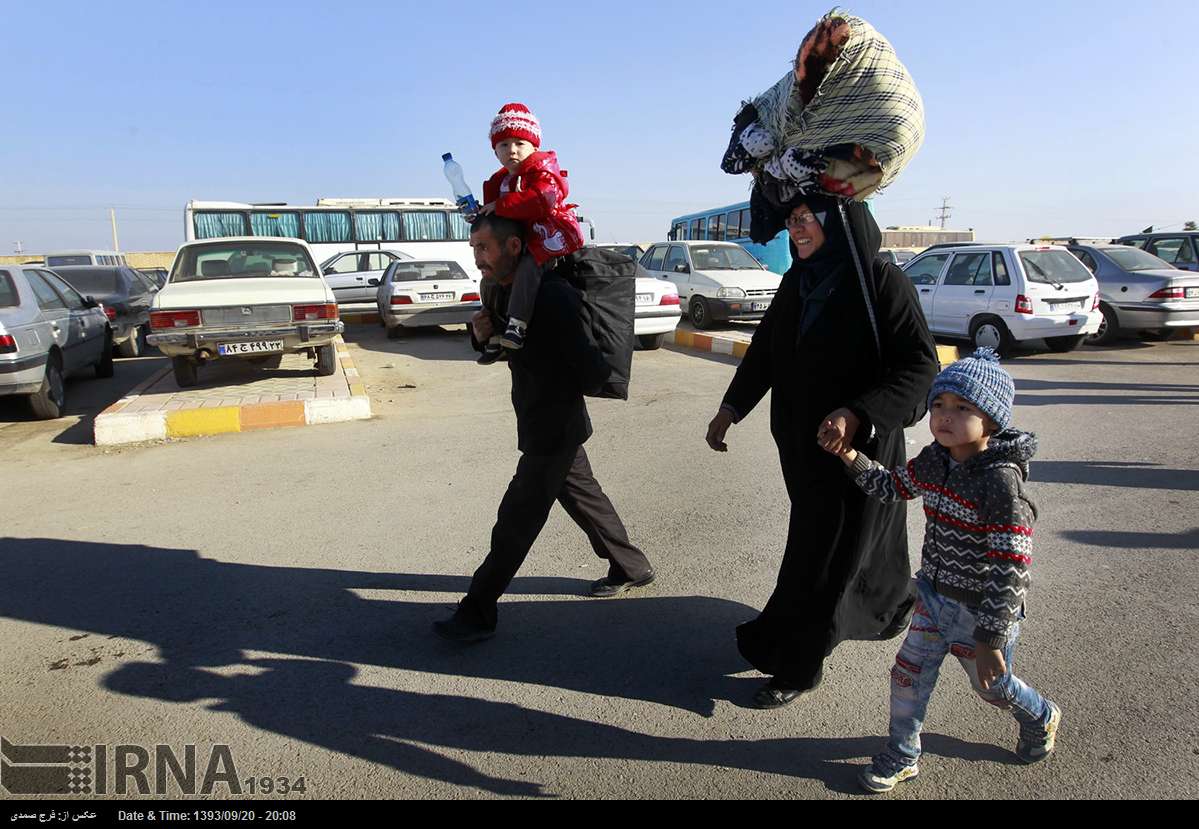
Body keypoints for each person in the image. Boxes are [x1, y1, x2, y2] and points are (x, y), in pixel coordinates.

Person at [705, 195, 939, 709]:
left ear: (836, 219)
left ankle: (799, 663)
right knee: (839, 545)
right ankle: (893, 600)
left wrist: (858, 412)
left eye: (805, 218)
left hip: (859, 451)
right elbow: (766, 349)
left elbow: (920, 366)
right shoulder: (801, 278)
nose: (797, 230)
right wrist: (731, 408)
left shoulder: (881, 280)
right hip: (802, 449)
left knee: (827, 554)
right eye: (791, 221)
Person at [821, 349, 1061, 793]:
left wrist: (989, 639)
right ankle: (902, 753)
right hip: (932, 597)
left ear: (990, 419)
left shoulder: (1000, 484)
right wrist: (849, 454)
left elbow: (1011, 571)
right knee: (908, 673)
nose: (944, 417)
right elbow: (892, 487)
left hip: (980, 615)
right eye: (938, 405)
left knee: (994, 689)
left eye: (962, 408)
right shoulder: (935, 460)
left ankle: (1041, 715)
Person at [433, 214, 655, 643]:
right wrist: (484, 335)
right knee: (583, 496)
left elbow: (588, 366)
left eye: (484, 247)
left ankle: (478, 611)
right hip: (539, 419)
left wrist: (528, 344)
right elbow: (500, 347)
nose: (476, 257)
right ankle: (631, 566)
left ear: (514, 247)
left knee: (515, 520)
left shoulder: (551, 296)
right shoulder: (506, 292)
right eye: (473, 247)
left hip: (553, 426)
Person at [476, 102, 585, 363]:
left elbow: (540, 200)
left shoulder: (544, 170)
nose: (511, 150)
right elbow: (497, 217)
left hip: (548, 236)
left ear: (534, 147)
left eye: (519, 143)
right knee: (490, 275)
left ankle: (517, 324)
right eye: (503, 145)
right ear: (494, 151)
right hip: (520, 238)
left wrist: (500, 205)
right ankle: (493, 331)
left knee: (528, 267)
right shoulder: (500, 181)